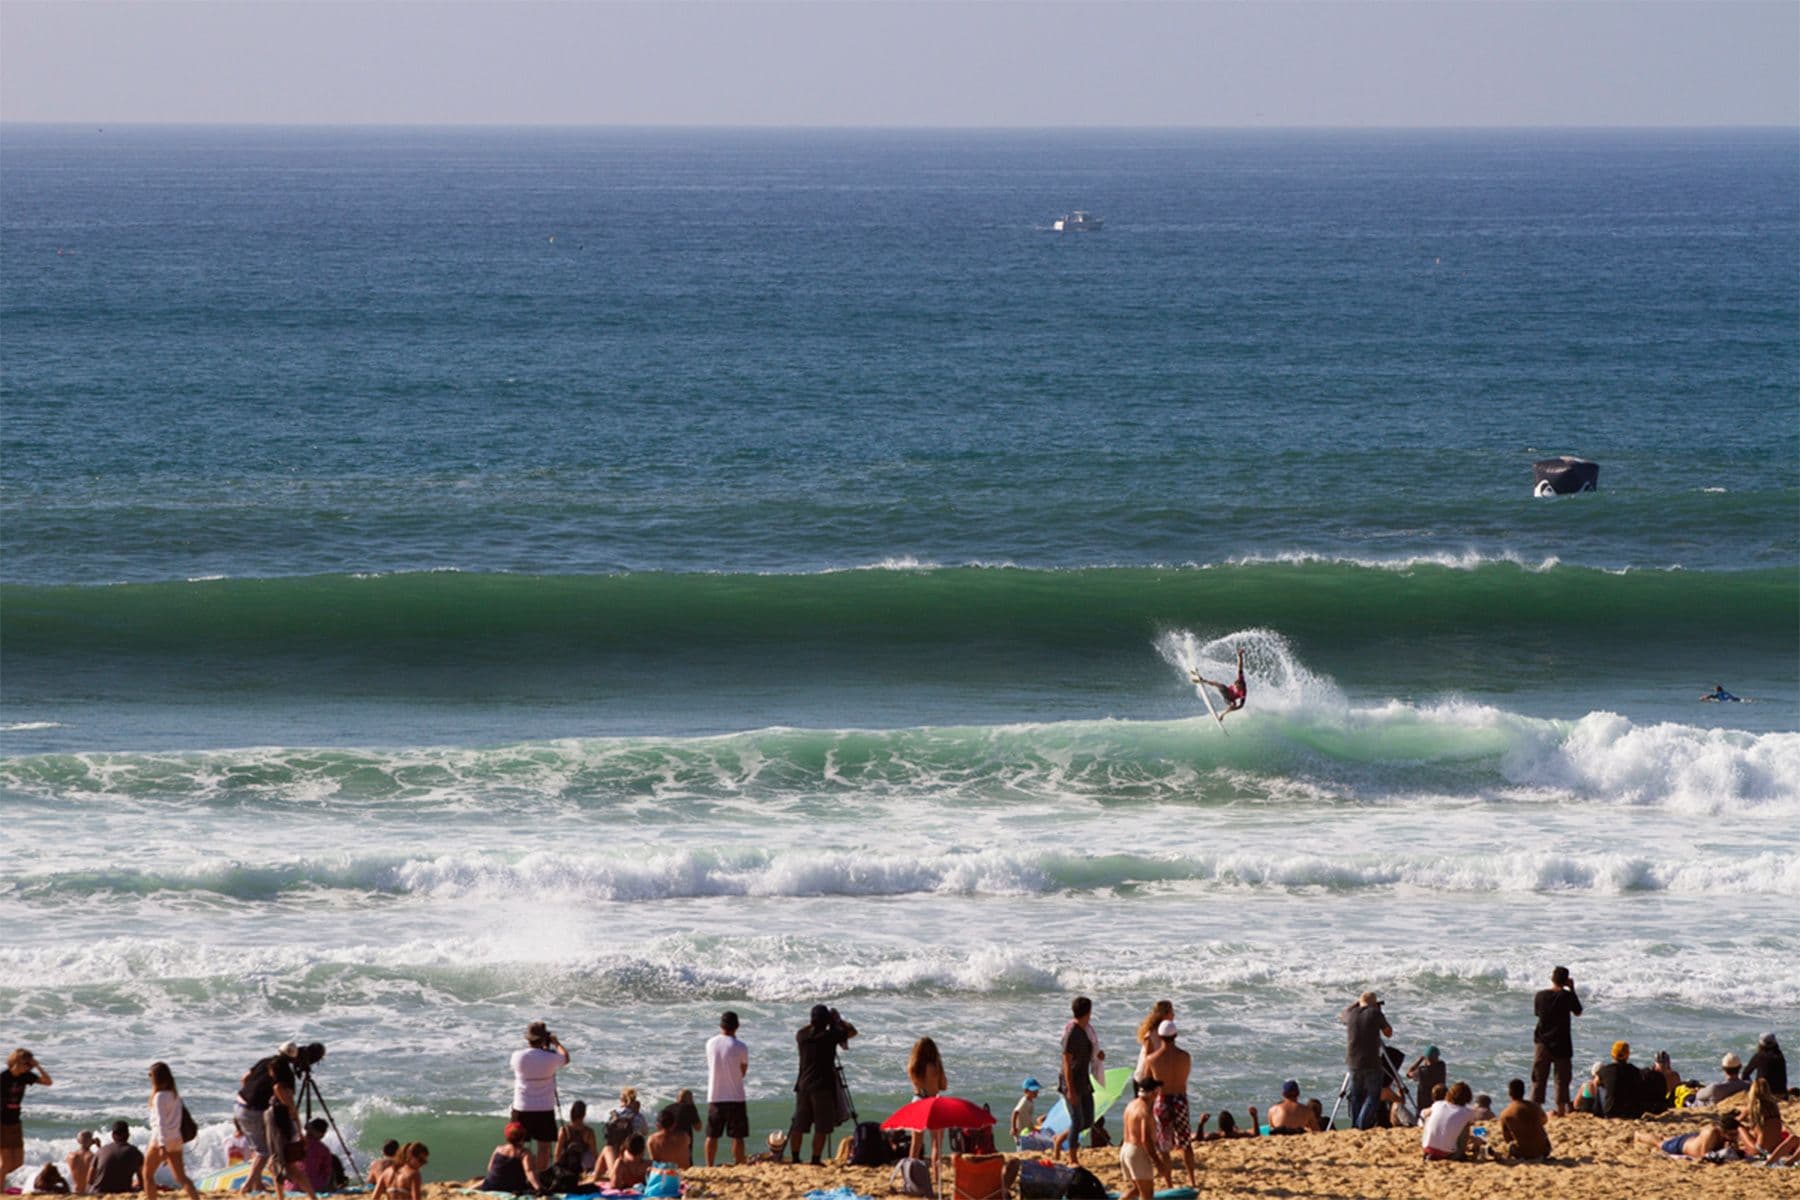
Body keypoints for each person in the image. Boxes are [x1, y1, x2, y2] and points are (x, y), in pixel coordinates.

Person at [785, 1005, 856, 1166]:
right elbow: (852, 1031)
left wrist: (820, 1022)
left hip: (803, 1085)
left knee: (799, 1125)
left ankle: (795, 1158)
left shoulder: (802, 1036)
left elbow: (806, 1027)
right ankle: (815, 1160)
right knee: (822, 1127)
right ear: (826, 1021)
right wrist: (837, 1020)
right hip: (823, 1087)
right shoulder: (830, 1036)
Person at [234, 1042, 304, 1200]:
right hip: (253, 1110)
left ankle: (257, 1184)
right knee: (264, 1151)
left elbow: (244, 1078)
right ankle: (246, 1186)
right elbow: (278, 1088)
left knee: (258, 1146)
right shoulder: (285, 1070)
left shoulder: (265, 1061)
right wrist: (290, 1107)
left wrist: (253, 1092)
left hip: (239, 1103)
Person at [1141, 1020, 1197, 1186]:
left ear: (1160, 1036)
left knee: (1164, 1146)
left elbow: (1147, 1081)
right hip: (1180, 1099)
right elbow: (1184, 1078)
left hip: (1163, 1099)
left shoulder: (1152, 1059)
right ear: (1176, 1036)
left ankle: (1169, 1182)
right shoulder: (1185, 1057)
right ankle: (1192, 1180)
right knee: (1186, 1143)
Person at [510, 1022, 569, 1174]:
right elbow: (566, 1058)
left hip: (522, 1106)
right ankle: (539, 1175)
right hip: (544, 1107)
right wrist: (556, 1043)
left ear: (528, 1039)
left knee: (518, 1144)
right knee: (543, 1146)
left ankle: (519, 1174)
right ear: (543, 1039)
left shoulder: (517, 1056)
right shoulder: (550, 1058)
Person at [1530, 966, 1583, 1115]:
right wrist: (1572, 989)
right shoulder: (1566, 996)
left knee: (1539, 1078)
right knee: (1562, 1080)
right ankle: (1561, 1110)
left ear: (1552, 979)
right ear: (1566, 981)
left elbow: (1537, 1014)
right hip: (1562, 1043)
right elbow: (1578, 1011)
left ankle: (1537, 1109)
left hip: (1542, 1042)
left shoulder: (1539, 996)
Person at [145, 1061, 202, 1200]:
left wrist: (162, 1146)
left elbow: (161, 1123)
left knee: (147, 1175)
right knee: (181, 1177)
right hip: (176, 1139)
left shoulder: (159, 1097)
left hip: (160, 1140)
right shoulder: (175, 1095)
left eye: (151, 1076)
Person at [1338, 991, 1391, 1131]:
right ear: (1373, 1003)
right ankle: (1361, 1125)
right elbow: (1388, 1033)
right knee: (1373, 1096)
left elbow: (1341, 1014)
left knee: (1356, 1095)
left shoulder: (1351, 1014)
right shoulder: (1375, 1013)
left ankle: (1355, 1125)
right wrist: (1378, 1012)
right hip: (1372, 1062)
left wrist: (1357, 1003)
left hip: (1353, 1063)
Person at [1059, 996, 1103, 1164]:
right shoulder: (1072, 1032)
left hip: (1083, 1080)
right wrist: (1070, 1090)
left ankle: (1060, 1139)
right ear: (1088, 1012)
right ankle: (1072, 1158)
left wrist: (1099, 1055)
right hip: (1071, 1082)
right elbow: (1066, 1063)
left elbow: (1090, 1053)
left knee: (1088, 1121)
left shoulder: (1087, 1031)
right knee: (1077, 1120)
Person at [704, 1012, 750, 1168]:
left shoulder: (710, 1043)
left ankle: (709, 1165)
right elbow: (743, 1072)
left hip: (715, 1096)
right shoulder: (741, 1046)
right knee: (738, 1136)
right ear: (737, 1026)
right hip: (735, 1096)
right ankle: (738, 1163)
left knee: (712, 1135)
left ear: (720, 1025)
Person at [2, 1047, 52, 1184]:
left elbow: (48, 1082)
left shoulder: (25, 1076)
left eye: (30, 1065)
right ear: (17, 1061)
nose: (29, 1068)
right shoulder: (3, 1078)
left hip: (15, 1122)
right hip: (2, 1123)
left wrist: (38, 1066)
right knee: (5, 1162)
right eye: (27, 1064)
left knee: (18, 1162)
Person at [1117, 1078, 1166, 1200]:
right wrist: (1158, 1161)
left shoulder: (1131, 1105)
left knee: (1137, 1190)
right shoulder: (1145, 1111)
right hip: (1137, 1152)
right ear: (1154, 1092)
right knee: (1147, 1194)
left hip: (1125, 1150)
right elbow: (1145, 1140)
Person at [905, 1037, 948, 1161]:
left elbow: (916, 1085)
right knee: (936, 1144)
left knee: (915, 1144)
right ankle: (935, 1175)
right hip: (933, 1103)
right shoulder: (936, 1066)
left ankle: (911, 1175)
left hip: (918, 1101)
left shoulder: (913, 1068)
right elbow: (943, 1086)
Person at [1634, 1112, 1745, 1161]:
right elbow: (1703, 1155)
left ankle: (1667, 1137)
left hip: (1692, 1139)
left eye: (1736, 1134)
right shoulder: (1711, 1132)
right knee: (1660, 1143)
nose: (1734, 1137)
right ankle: (1639, 1135)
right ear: (1722, 1131)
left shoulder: (1726, 1135)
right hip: (1683, 1146)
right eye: (1731, 1134)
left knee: (1669, 1139)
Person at [1419, 1081, 1479, 1162]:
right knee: (1467, 1126)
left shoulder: (1438, 1104)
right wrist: (1481, 1137)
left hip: (1427, 1149)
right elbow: (1474, 1125)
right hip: (1447, 1153)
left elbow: (1424, 1113)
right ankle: (1467, 1150)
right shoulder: (1468, 1112)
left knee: (1432, 1117)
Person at [481, 1121, 542, 1194]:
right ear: (523, 1136)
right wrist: (539, 1188)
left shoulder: (498, 1149)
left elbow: (490, 1168)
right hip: (511, 1188)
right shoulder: (524, 1153)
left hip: (490, 1185)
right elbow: (529, 1172)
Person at [1497, 1078, 1550, 1161]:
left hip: (1522, 1153)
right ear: (1523, 1092)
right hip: (1544, 1151)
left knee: (1510, 1145)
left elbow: (1507, 1138)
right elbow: (1545, 1120)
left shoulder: (1506, 1113)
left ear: (1509, 1093)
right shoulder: (1535, 1106)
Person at [1190, 647, 1248, 719]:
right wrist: (1240, 656)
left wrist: (1230, 709)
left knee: (1233, 704)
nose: (1235, 688)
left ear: (1241, 687)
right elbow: (1240, 667)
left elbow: (1241, 706)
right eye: (1235, 686)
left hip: (1228, 700)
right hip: (1225, 691)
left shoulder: (1243, 693)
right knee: (1221, 685)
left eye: (1237, 687)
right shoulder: (1241, 678)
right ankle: (1203, 680)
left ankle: (1222, 715)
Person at [1597, 1041, 1646, 1119]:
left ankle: (1596, 1112)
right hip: (1634, 1113)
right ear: (1627, 1055)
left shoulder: (1605, 1070)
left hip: (1611, 1113)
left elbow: (1595, 1083)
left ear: (1612, 1054)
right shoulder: (1635, 1071)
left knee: (1598, 1086)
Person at [93, 1122, 145, 1194]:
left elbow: (90, 1179)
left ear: (112, 1135)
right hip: (122, 1192)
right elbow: (143, 1180)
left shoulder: (101, 1150)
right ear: (128, 1135)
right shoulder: (136, 1153)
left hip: (98, 1192)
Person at [554, 1100, 598, 1181]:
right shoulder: (588, 1132)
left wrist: (557, 1169)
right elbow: (594, 1153)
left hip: (567, 1165)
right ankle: (588, 1174)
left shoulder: (564, 1130)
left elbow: (557, 1154)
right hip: (583, 1167)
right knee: (588, 1154)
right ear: (584, 1114)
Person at [1132, 1002, 1174, 1082]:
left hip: (1156, 1077)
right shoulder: (1151, 1035)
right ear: (1164, 1015)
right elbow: (1148, 1061)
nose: (1173, 1015)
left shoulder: (1167, 1033)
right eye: (1171, 1012)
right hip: (1144, 1079)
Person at [646, 1106, 690, 1171]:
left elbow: (655, 1163)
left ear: (658, 1125)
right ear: (674, 1124)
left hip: (663, 1175)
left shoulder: (652, 1140)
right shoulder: (684, 1136)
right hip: (682, 1173)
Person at [1011, 1078, 1044, 1145]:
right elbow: (1015, 1112)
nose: (1036, 1093)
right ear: (1026, 1091)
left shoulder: (1030, 1100)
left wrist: (1032, 1127)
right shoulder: (1024, 1101)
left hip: (1027, 1129)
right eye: (1034, 1091)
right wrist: (1013, 1128)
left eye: (1037, 1091)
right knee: (1021, 1145)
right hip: (1021, 1132)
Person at [672, 1091, 701, 1167]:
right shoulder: (690, 1108)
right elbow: (698, 1128)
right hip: (684, 1140)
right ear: (690, 1099)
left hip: (667, 1141)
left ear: (677, 1098)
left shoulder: (668, 1108)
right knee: (686, 1164)